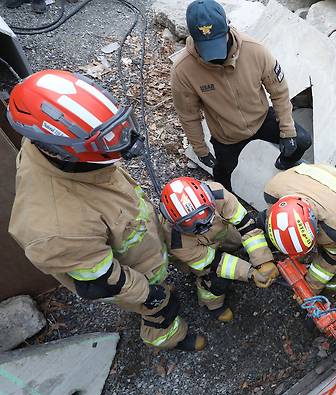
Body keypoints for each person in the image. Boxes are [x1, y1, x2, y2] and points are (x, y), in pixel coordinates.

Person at [8, 70, 205, 352]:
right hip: (131, 279)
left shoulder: (61, 149)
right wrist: (148, 295)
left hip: (136, 241)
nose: (122, 144)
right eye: (103, 144)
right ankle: (167, 335)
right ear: (60, 150)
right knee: (160, 308)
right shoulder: (57, 230)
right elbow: (103, 283)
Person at [171, 0, 312, 192]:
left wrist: (287, 131)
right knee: (222, 173)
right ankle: (230, 208)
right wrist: (200, 150)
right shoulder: (183, 70)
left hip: (261, 118)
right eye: (206, 47)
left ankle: (284, 162)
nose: (214, 56)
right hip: (227, 134)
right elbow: (188, 115)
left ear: (228, 28)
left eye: (217, 44)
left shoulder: (255, 51)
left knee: (302, 141)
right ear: (194, 39)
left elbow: (279, 91)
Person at [159, 176, 278, 321]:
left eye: (206, 217)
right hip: (198, 256)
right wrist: (250, 273)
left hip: (221, 235)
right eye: (193, 226)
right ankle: (213, 303)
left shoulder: (218, 194)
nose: (202, 226)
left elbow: (246, 226)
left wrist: (263, 260)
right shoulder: (175, 240)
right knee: (215, 280)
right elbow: (213, 262)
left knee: (240, 240)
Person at [264, 163, 336, 294]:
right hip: (312, 174)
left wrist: (310, 289)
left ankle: (332, 287)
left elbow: (329, 258)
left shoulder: (335, 228)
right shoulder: (272, 191)